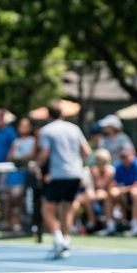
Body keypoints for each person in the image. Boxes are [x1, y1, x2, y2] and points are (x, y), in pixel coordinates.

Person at [35, 104, 91, 259]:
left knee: (46, 209)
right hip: (76, 174)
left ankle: (58, 239)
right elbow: (87, 152)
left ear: (48, 115)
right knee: (66, 209)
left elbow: (45, 153)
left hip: (59, 175)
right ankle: (66, 243)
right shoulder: (74, 128)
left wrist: (36, 165)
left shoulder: (46, 130)